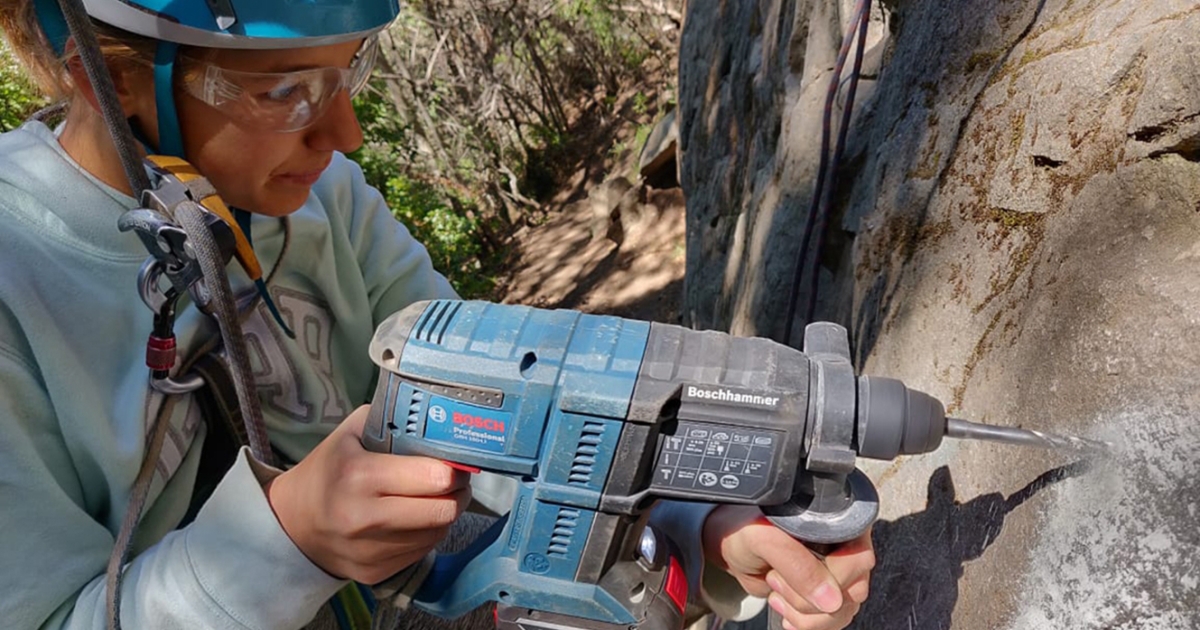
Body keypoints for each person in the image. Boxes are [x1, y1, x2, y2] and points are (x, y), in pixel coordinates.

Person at [0, 1, 875, 629]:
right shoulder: (17, 282)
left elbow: (501, 417)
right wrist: (283, 544)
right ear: (100, 74)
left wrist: (694, 520)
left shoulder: (321, 201)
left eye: (351, 72)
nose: (344, 134)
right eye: (285, 93)